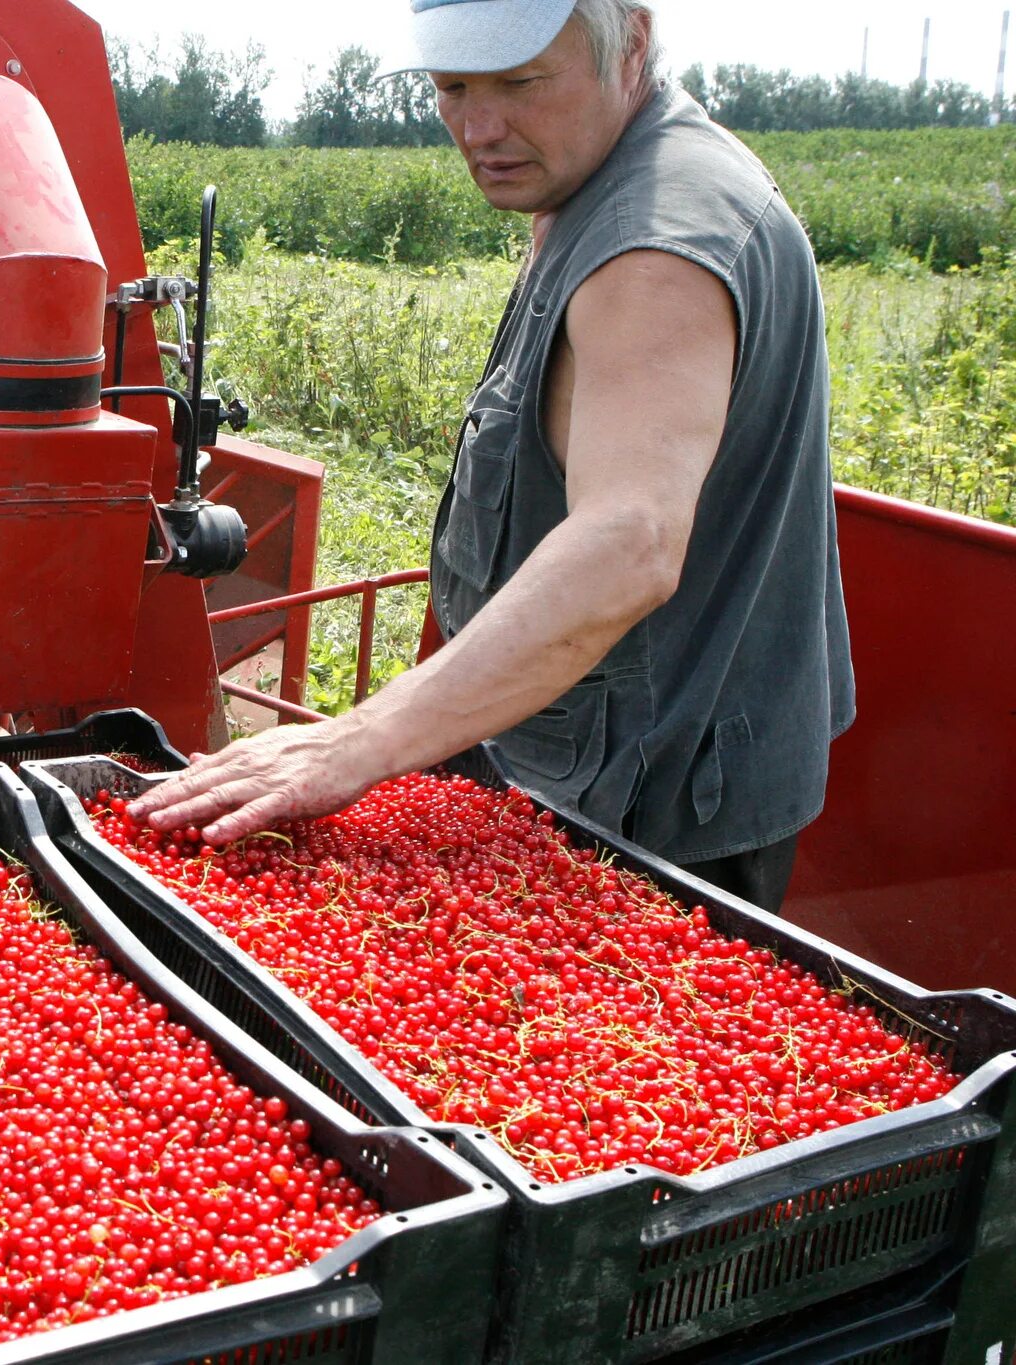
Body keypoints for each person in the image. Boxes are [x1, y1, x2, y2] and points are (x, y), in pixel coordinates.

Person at [131, 0, 852, 913]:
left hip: (648, 813)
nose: (478, 128)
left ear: (630, 39)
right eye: (452, 87)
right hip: (588, 759)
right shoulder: (594, 178)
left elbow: (628, 541)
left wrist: (359, 740)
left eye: (519, 82)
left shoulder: (657, 245)